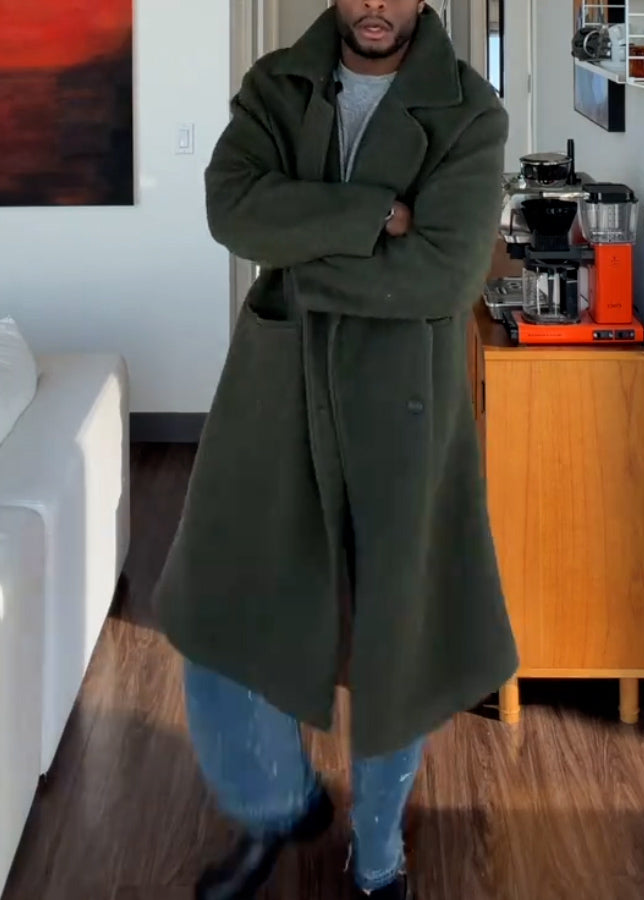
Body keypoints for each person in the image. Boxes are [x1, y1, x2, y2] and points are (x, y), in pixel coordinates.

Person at [153, 1, 519, 897]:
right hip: (278, 388)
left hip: (404, 403)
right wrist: (375, 214)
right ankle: (275, 804)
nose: (374, 6)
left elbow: (443, 273)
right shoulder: (275, 85)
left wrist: (299, 251)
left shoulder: (471, 112)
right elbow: (232, 211)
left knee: (398, 637)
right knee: (218, 600)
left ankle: (379, 856)